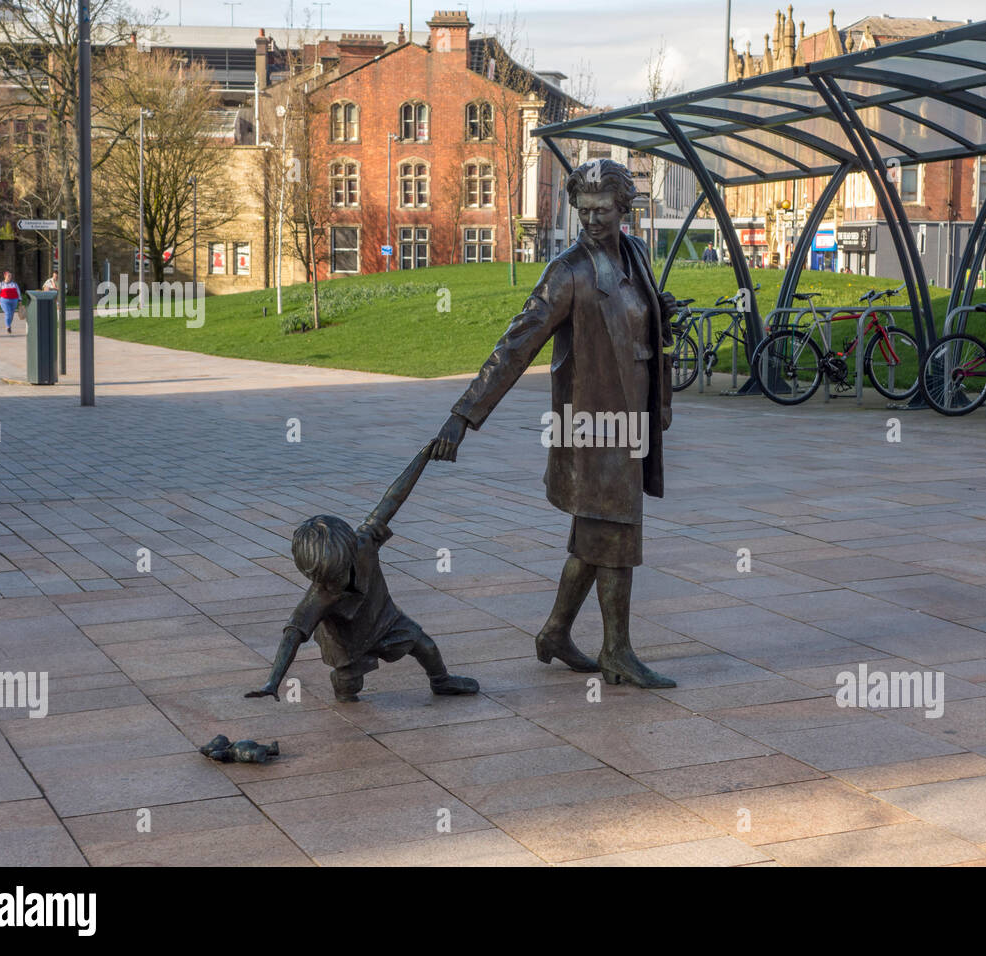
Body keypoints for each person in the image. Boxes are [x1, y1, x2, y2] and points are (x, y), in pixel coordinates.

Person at [430, 159, 677, 689]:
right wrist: (464, 413)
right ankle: (617, 651)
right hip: (593, 426)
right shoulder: (568, 272)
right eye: (583, 211)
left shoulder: (633, 256)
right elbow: (516, 344)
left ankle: (556, 633)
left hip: (631, 420)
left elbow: (634, 321)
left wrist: (658, 312)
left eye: (602, 211)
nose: (590, 220)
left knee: (597, 531)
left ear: (623, 211)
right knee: (616, 533)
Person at [246, 444, 479, 703]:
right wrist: (273, 681)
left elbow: (392, 499)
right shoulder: (319, 596)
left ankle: (441, 681)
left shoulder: (364, 543)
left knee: (425, 645)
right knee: (348, 685)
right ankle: (344, 684)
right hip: (347, 643)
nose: (334, 583)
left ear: (349, 553)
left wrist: (422, 457)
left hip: (385, 619)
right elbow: (292, 636)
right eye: (327, 579)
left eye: (338, 574)